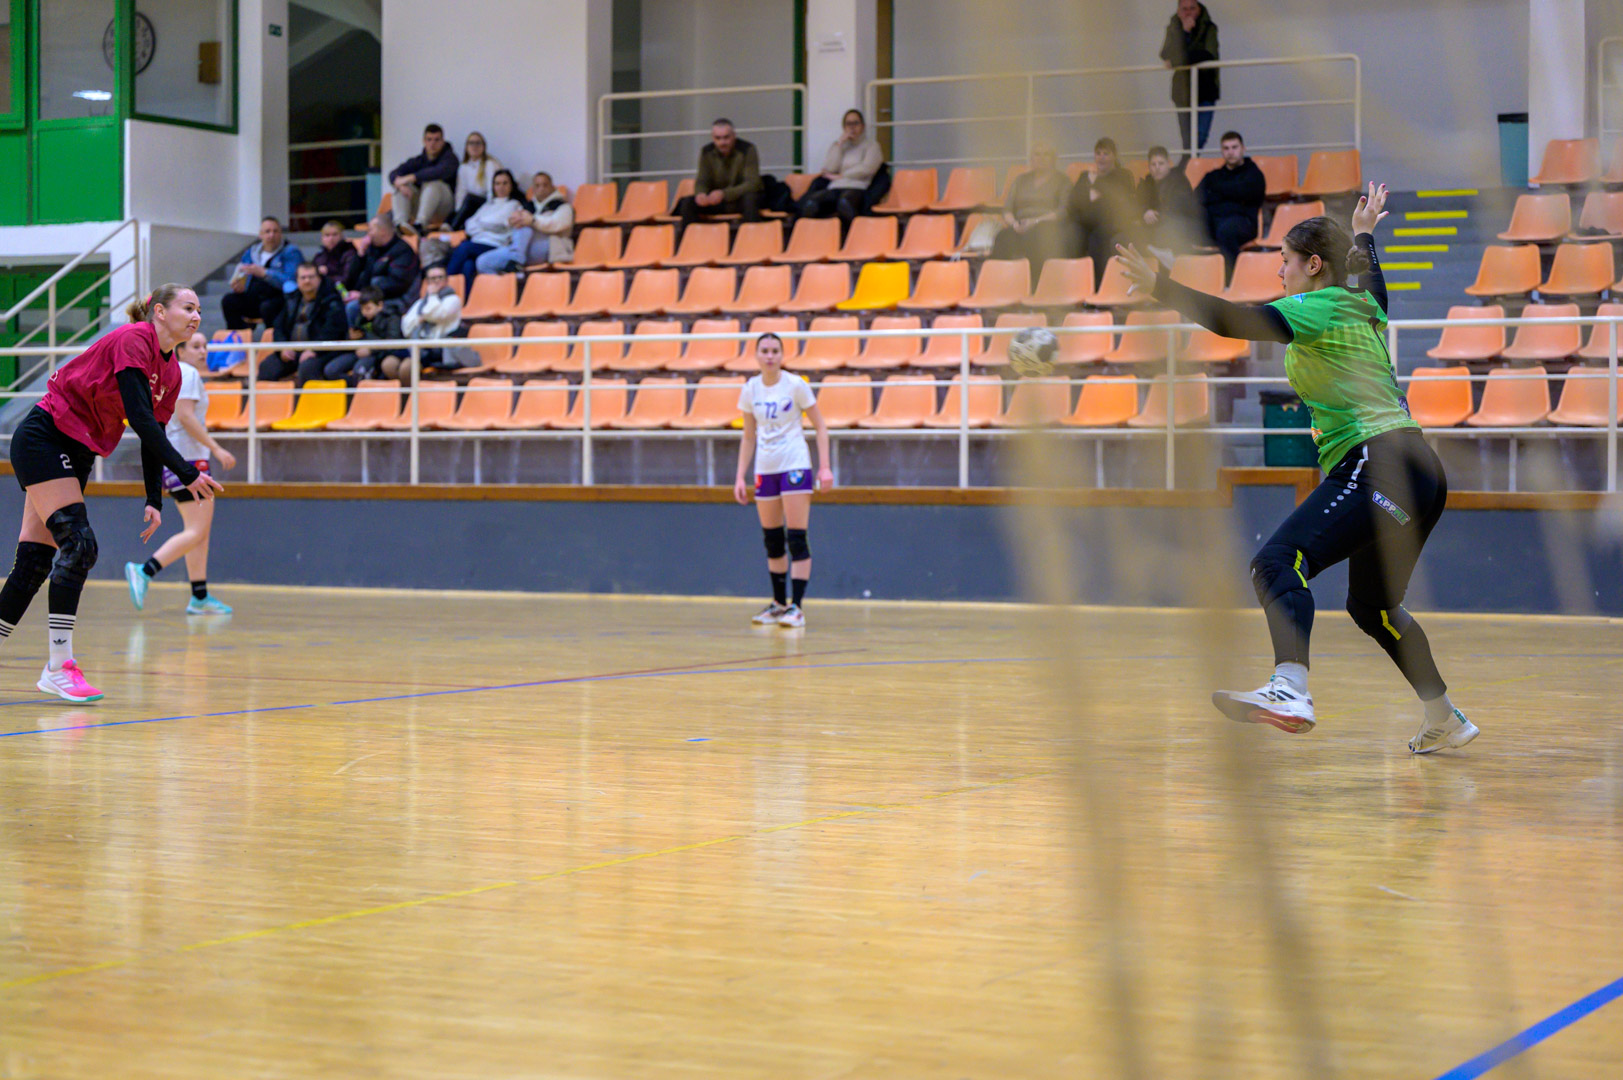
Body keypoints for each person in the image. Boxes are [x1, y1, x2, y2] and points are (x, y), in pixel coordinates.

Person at [1115, 184, 1479, 755]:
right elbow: (1375, 283)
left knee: (1277, 561)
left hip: (1377, 460)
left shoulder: (1317, 306)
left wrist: (1163, 286)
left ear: (1313, 265)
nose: (1278, 270)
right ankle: (1445, 718)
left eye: (1284, 259)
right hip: (1421, 472)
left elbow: (1233, 321)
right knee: (1372, 608)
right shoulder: (1363, 305)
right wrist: (1364, 234)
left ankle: (1290, 686)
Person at [3, 284, 224, 702]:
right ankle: (59, 666)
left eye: (199, 309)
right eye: (187, 307)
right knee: (80, 546)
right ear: (159, 312)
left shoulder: (173, 373)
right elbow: (139, 417)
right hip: (45, 436)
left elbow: (154, 433)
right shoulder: (134, 339)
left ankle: (55, 667)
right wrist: (186, 472)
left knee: (33, 564)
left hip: (79, 449)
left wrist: (154, 499)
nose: (196, 316)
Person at [122, 332, 237, 616]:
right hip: (189, 460)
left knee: (199, 533)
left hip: (177, 459)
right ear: (180, 351)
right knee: (197, 531)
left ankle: (199, 596)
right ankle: (144, 570)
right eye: (196, 346)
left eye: (205, 346)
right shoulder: (187, 373)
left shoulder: (174, 373)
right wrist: (216, 448)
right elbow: (185, 417)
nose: (203, 351)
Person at [733, 332, 834, 630]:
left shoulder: (795, 385)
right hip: (766, 467)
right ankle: (778, 604)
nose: (769, 356)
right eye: (764, 350)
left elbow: (821, 426)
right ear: (756, 355)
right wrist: (739, 475)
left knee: (796, 537)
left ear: (781, 354)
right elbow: (748, 436)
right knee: (773, 539)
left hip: (794, 464)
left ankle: (797, 607)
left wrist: (825, 467)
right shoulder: (750, 389)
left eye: (775, 351)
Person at [796, 109, 885, 237]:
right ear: (844, 127)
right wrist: (839, 144)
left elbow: (867, 169)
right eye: (848, 124)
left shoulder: (872, 146)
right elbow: (830, 168)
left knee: (845, 203)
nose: (852, 127)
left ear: (863, 126)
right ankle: (811, 239)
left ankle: (858, 238)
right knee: (811, 203)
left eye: (856, 123)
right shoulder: (839, 145)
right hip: (835, 186)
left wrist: (843, 175)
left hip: (857, 186)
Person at [990, 141, 1073, 271]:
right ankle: (999, 279)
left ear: (1053, 159)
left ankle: (1034, 280)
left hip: (1046, 226)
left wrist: (1035, 221)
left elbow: (1064, 211)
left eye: (1046, 154)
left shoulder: (1062, 180)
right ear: (1031, 159)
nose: (1041, 158)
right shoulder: (1021, 180)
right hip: (1020, 225)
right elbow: (1007, 209)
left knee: (1035, 237)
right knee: (1002, 237)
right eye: (1037, 154)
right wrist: (1014, 224)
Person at [261, 263, 350, 385]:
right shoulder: (292, 299)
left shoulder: (332, 300)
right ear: (297, 281)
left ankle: (308, 398)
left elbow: (333, 331)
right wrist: (283, 348)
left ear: (319, 279)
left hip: (324, 351)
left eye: (311, 277)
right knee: (267, 367)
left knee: (307, 367)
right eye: (303, 277)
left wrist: (314, 350)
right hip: (293, 351)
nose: (307, 281)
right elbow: (279, 327)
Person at [1067, 137, 1138, 285]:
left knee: (1097, 238)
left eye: (1106, 153)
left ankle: (1099, 286)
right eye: (1098, 153)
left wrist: (1094, 186)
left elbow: (1116, 203)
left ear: (1114, 156)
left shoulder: (1122, 175)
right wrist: (1093, 195)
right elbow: (1073, 202)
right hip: (1085, 221)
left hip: (1110, 223)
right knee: (1071, 233)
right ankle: (1073, 284)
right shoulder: (1085, 176)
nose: (1101, 157)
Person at [676, 119, 762, 237]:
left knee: (751, 199)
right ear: (713, 137)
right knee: (688, 203)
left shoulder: (747, 149)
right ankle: (691, 240)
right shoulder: (706, 151)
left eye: (726, 137)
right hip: (716, 200)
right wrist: (701, 194)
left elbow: (752, 183)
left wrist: (724, 194)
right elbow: (702, 180)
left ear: (734, 136)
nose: (722, 142)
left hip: (739, 199)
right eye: (718, 138)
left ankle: (751, 239)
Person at [444, 169, 525, 292]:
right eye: (497, 183)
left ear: (511, 185)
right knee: (468, 265)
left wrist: (480, 224)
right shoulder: (487, 205)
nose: (501, 187)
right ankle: (464, 300)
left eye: (505, 183)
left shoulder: (514, 204)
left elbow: (498, 222)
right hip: (477, 243)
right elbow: (469, 224)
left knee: (464, 247)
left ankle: (443, 285)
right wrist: (486, 226)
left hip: (495, 245)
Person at [477, 171, 574, 273]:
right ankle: (513, 270)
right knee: (482, 262)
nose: (541, 188)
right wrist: (511, 222)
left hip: (550, 247)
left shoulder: (563, 206)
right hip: (522, 248)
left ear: (553, 187)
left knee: (525, 223)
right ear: (533, 189)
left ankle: (517, 261)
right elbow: (511, 226)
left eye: (545, 185)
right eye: (537, 185)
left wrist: (532, 220)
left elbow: (556, 224)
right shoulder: (528, 206)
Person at [1196, 130, 1266, 271]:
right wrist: (1231, 194)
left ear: (1243, 148)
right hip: (1214, 222)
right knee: (1184, 223)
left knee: (1226, 230)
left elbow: (1247, 195)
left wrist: (1216, 193)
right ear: (1222, 151)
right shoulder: (1213, 176)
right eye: (1226, 148)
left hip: (1244, 223)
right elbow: (1197, 197)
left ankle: (1233, 277)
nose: (1230, 152)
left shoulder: (1253, 174)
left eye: (1234, 147)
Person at [1160, 0, 1220, 160]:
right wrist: (1184, 32)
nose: (1188, 12)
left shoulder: (1209, 27)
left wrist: (1177, 61)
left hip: (1206, 88)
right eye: (1184, 9)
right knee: (1187, 139)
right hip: (1182, 91)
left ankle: (1184, 167)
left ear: (1198, 10)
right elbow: (1165, 53)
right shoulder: (1173, 28)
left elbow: (1209, 55)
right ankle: (1188, 167)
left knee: (1201, 135)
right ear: (1178, 12)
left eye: (1192, 8)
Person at [221, 217, 302, 330]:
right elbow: (242, 273)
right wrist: (239, 286)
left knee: (268, 307)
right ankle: (241, 336)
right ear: (260, 235)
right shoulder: (251, 252)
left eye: (275, 231)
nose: (271, 235)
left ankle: (274, 338)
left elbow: (291, 280)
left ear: (281, 234)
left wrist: (265, 273)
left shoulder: (291, 252)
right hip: (254, 297)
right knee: (229, 301)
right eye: (267, 231)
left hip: (279, 297)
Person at [384, 266, 463, 380]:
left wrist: (432, 296)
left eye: (440, 277)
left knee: (407, 368)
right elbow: (406, 325)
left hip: (436, 349)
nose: (436, 281)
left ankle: (412, 390)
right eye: (432, 278)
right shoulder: (420, 302)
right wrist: (420, 319)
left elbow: (436, 315)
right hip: (416, 345)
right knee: (388, 364)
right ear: (427, 282)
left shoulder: (453, 300)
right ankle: (403, 390)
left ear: (446, 280)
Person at [388, 123, 460, 235]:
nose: (432, 143)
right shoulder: (418, 160)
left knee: (433, 184)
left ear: (442, 141)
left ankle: (420, 225)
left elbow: (437, 172)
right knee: (401, 187)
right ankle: (400, 225)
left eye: (436, 140)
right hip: (421, 206)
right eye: (429, 139)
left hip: (444, 208)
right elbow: (393, 174)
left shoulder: (451, 159)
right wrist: (399, 184)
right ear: (424, 141)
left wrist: (411, 177)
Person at [347, 215, 421, 324]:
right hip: (373, 297)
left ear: (382, 231)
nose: (368, 234)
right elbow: (353, 279)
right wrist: (360, 254)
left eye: (371, 230)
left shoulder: (403, 251)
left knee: (352, 308)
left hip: (397, 300)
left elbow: (397, 284)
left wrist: (363, 295)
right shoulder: (372, 249)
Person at [1136, 144, 1200, 262]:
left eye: (1161, 163)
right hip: (1154, 225)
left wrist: (1155, 215)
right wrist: (1145, 212)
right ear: (1149, 166)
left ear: (1168, 164)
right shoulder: (1146, 182)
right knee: (1123, 236)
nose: (1157, 168)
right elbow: (1137, 205)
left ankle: (1163, 260)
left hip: (1176, 224)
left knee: (1164, 232)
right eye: (1153, 164)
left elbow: (1179, 209)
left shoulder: (1179, 180)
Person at [332, 288, 405, 384]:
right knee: (331, 370)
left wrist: (370, 350)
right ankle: (352, 389)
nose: (364, 312)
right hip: (358, 351)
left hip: (378, 354)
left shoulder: (392, 317)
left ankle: (361, 389)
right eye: (362, 309)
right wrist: (350, 337)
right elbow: (353, 335)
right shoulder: (361, 318)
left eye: (368, 308)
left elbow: (392, 342)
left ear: (380, 305)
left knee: (359, 371)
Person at [447, 131, 504, 231]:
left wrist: (489, 210)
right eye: (471, 143)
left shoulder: (490, 164)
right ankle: (444, 229)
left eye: (478, 143)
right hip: (471, 205)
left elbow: (492, 191)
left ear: (483, 147)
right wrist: (458, 211)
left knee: (470, 199)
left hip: (487, 203)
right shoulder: (463, 167)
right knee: (453, 212)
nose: (474, 146)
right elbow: (461, 192)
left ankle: (452, 229)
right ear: (466, 147)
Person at [311, 220, 361, 293]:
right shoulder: (319, 257)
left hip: (344, 292)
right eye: (327, 235)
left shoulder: (350, 254)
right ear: (322, 238)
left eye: (335, 234)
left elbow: (347, 279)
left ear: (341, 236)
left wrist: (326, 274)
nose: (331, 238)